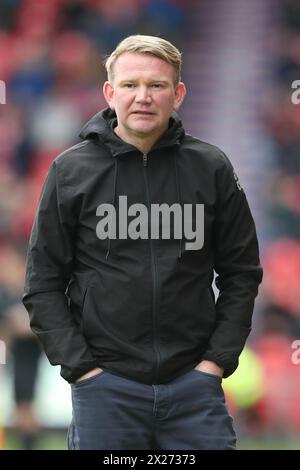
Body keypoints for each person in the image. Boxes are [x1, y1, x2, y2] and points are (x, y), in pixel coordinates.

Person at [22, 35, 263, 450]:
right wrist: (81, 369)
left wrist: (215, 362)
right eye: (131, 85)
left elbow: (241, 274)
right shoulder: (70, 171)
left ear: (178, 94)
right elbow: (42, 283)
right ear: (110, 93)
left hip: (194, 389)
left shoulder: (211, 167)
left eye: (157, 85)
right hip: (105, 391)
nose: (143, 97)